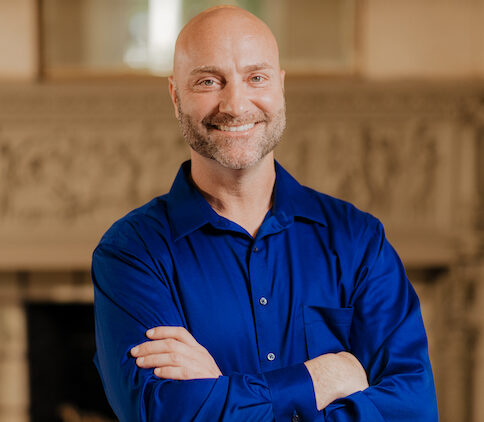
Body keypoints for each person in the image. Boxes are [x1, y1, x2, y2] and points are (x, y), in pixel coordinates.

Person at [92, 5, 438, 421]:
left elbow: (413, 410)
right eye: (208, 80)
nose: (236, 104)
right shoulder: (132, 254)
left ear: (280, 86)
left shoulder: (358, 240)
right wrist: (322, 377)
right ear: (174, 94)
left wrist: (222, 393)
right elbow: (162, 413)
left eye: (256, 77)